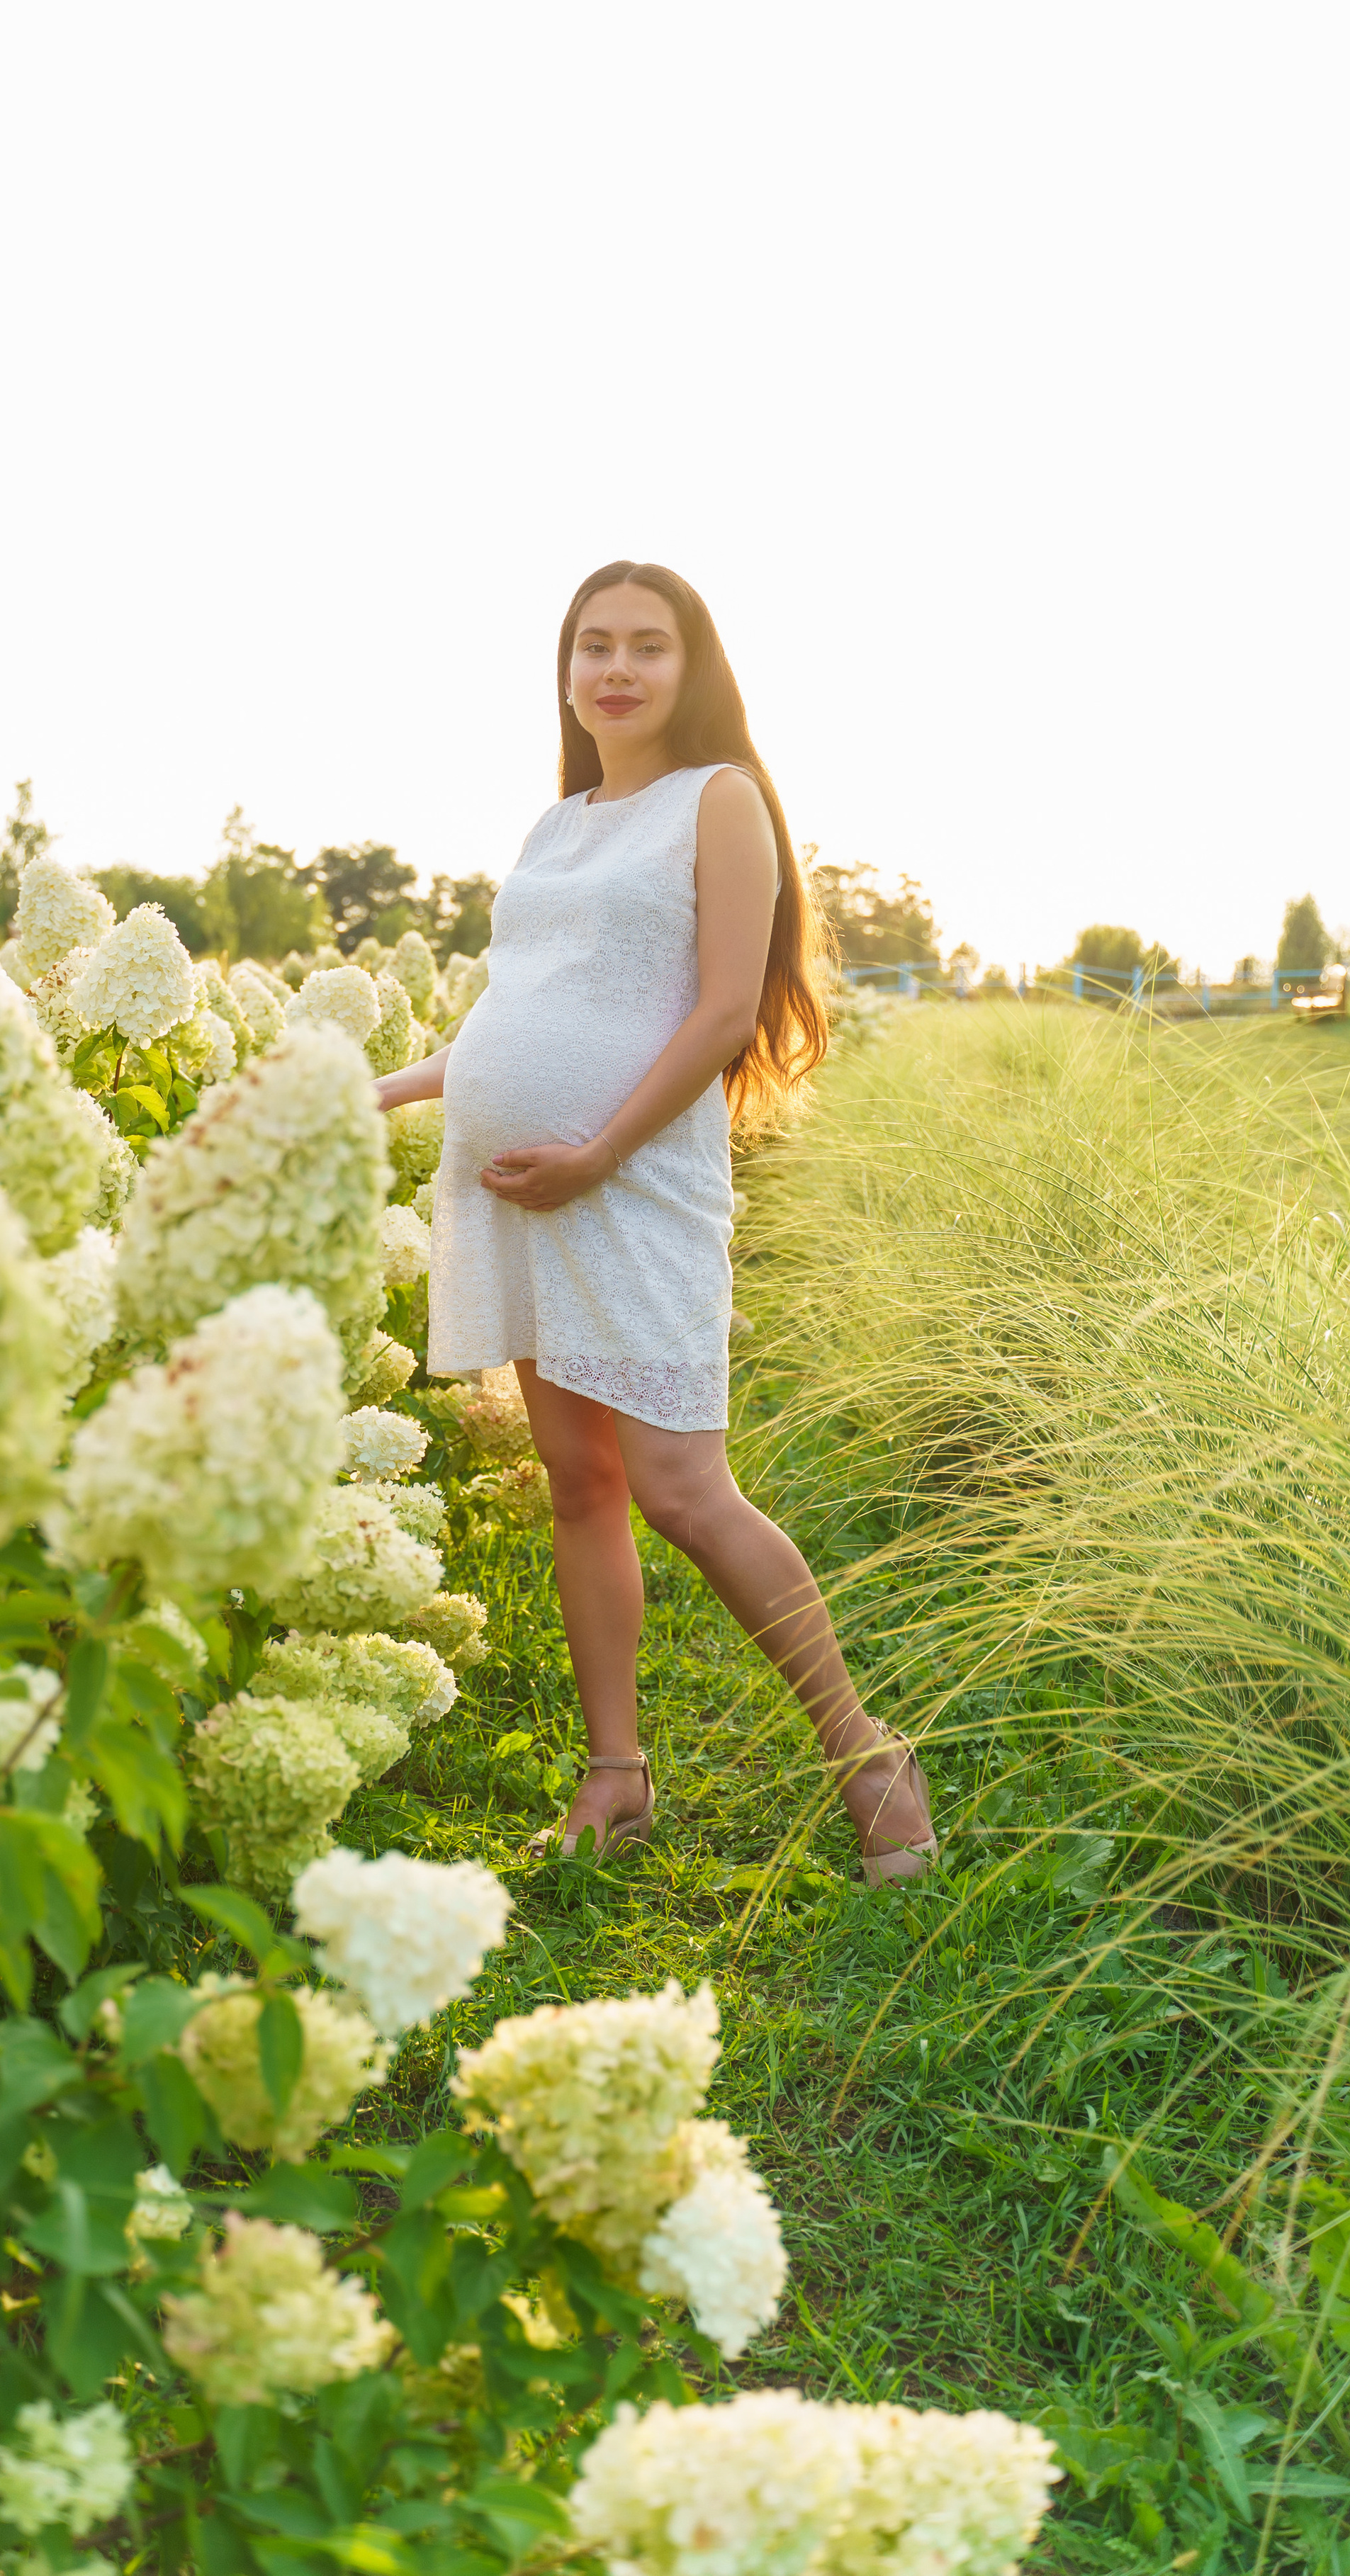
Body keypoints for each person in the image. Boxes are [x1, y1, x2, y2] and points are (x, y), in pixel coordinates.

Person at [373, 560, 935, 1882]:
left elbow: (726, 1012)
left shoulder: (719, 801)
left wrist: (600, 1150)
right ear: (566, 672)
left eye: (646, 646)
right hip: (522, 1189)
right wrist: (375, 1087)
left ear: (695, 670)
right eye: (592, 647)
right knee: (581, 1482)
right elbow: (508, 1019)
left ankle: (866, 1753)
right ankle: (615, 1774)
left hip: (633, 1184)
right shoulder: (553, 826)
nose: (616, 669)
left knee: (685, 1488)